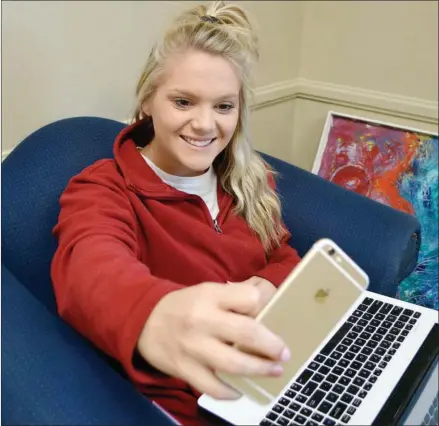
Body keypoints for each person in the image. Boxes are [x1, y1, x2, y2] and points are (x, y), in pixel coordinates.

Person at [51, 1, 301, 424]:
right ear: (148, 101)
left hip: (273, 368)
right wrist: (151, 311)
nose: (205, 125)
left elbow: (283, 257)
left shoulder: (247, 178)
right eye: (184, 102)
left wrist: (263, 288)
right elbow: (89, 262)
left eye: (224, 106)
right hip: (200, 405)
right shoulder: (104, 187)